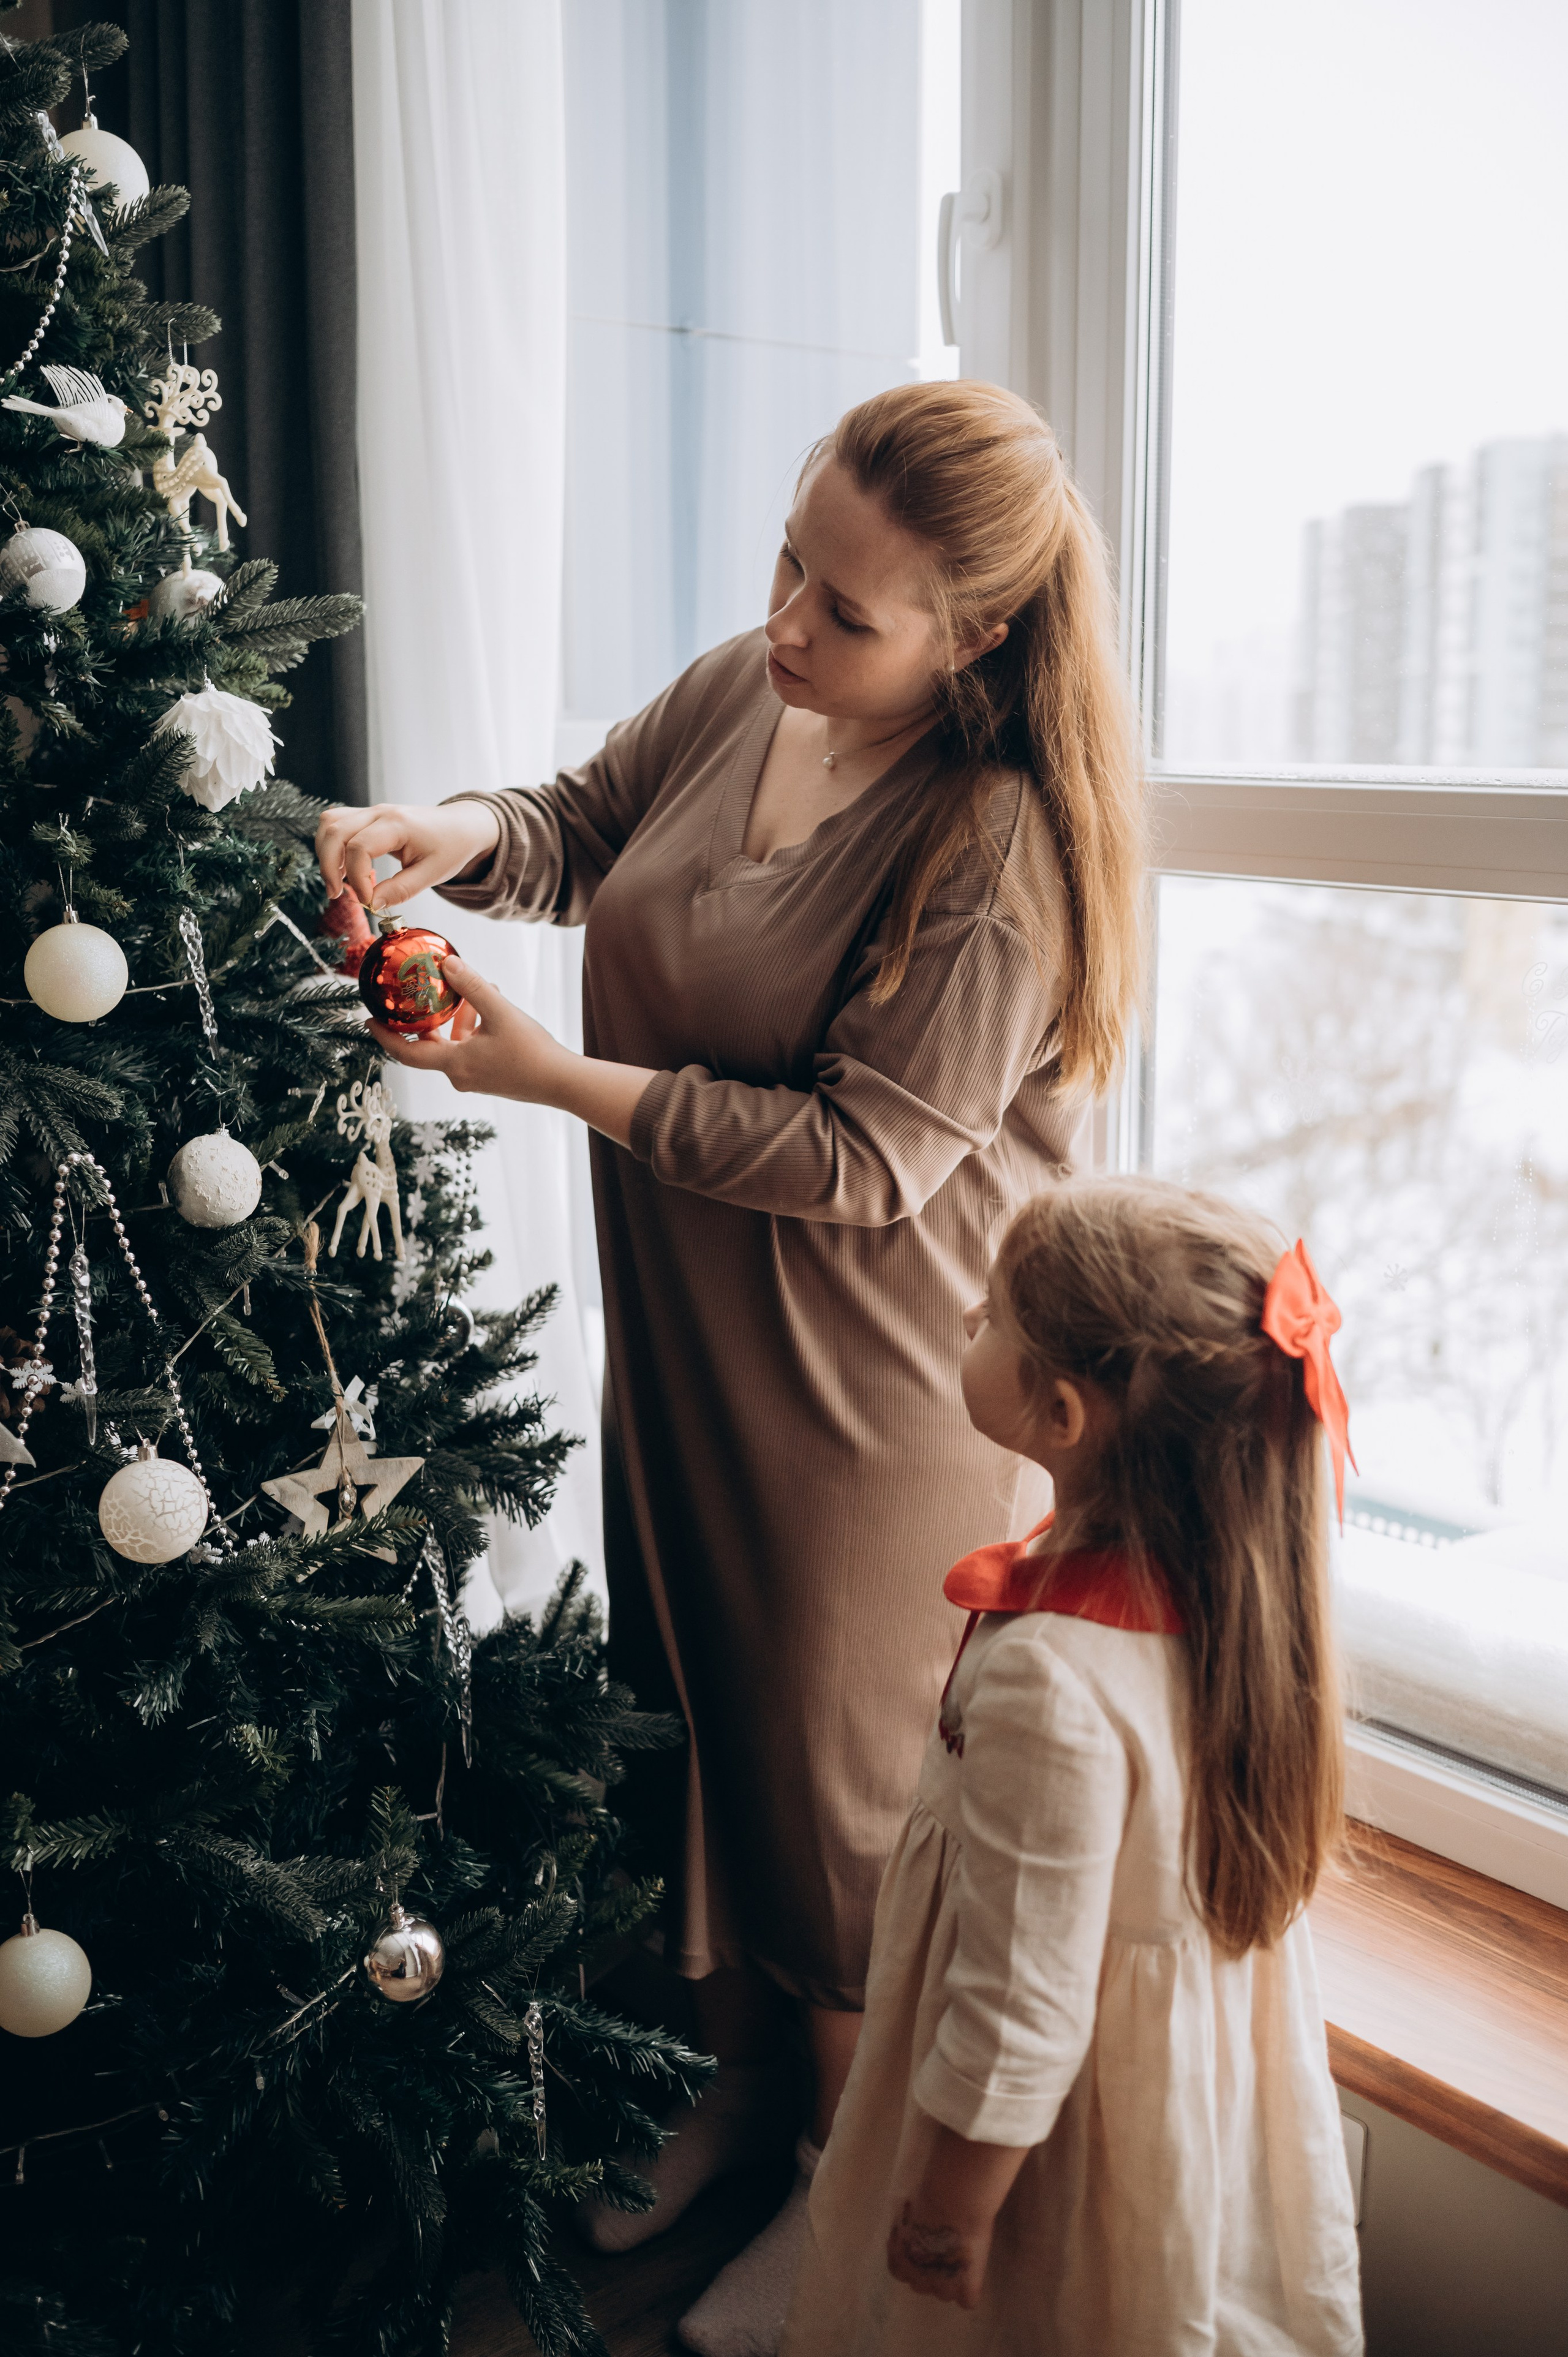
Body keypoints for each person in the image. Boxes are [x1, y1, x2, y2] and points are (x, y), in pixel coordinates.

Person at [314, 380, 1144, 2356]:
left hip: (865, 1399)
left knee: (837, 1814)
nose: (789, 622)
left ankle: (853, 2218)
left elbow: (863, 1161)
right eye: (791, 561)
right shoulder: (751, 689)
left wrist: (550, 1077)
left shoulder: (997, 847)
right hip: (690, 1347)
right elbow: (586, 828)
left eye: (849, 612)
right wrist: (457, 833)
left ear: (981, 642)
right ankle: (758, 2126)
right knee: (704, 1746)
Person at [780, 1176, 1365, 2356]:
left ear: (1058, 1415)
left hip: (1045, 2140)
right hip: (1169, 2094)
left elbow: (1020, 2005)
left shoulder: (1055, 1678)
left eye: (992, 1312)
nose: (962, 1319)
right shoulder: (1234, 1602)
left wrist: (951, 2207)